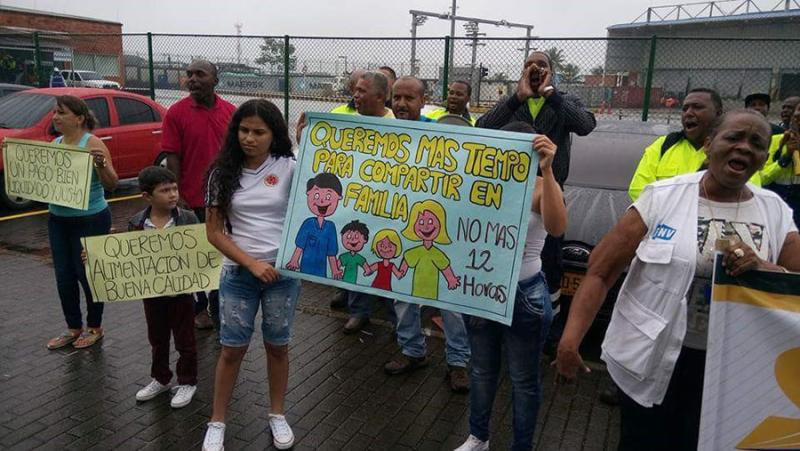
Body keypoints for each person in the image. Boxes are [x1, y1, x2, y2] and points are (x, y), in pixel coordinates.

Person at [554, 109, 800, 450]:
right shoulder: (663, 196)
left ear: (763, 159)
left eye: (756, 143)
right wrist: (569, 342)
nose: (744, 147)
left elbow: (796, 286)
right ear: (709, 145)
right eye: (733, 138)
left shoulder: (775, 211)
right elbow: (600, 270)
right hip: (652, 360)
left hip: (730, 367)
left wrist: (763, 269)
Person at [476, 50, 596, 356]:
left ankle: (550, 329)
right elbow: (481, 128)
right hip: (511, 193)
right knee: (510, 261)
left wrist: (551, 95)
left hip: (549, 190)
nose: (535, 69)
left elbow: (585, 125)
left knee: (550, 260)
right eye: (529, 64)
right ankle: (505, 320)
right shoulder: (513, 101)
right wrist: (517, 98)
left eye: (541, 65)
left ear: (552, 72)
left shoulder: (564, 100)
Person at [456, 122, 566, 451]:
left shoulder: (539, 186)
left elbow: (558, 227)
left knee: (523, 380)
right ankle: (478, 437)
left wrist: (548, 172)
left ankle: (522, 446)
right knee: (481, 370)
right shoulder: (478, 184)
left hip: (525, 294)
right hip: (480, 290)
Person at [202, 99, 300, 451]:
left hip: (282, 275)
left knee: (277, 346)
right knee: (231, 350)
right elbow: (214, 233)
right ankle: (217, 421)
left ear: (274, 134)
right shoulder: (221, 173)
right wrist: (251, 264)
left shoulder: (291, 166)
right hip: (238, 275)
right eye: (244, 130)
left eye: (259, 132)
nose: (250, 138)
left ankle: (277, 414)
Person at [382, 75, 471, 393]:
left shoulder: (443, 134)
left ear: (424, 100)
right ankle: (412, 351)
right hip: (402, 229)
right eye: (397, 97)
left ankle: (458, 363)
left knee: (451, 303)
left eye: (409, 98)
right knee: (402, 297)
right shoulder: (385, 133)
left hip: (440, 231)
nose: (402, 104)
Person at [163, 59, 236, 330]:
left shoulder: (231, 112)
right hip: (192, 200)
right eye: (189, 74)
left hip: (225, 200)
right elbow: (173, 156)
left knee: (222, 256)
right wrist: (176, 192)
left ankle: (218, 307)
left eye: (200, 74)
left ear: (215, 79)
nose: (192, 79)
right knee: (196, 259)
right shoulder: (175, 113)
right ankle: (199, 307)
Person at [45, 95, 117, 350]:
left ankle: (95, 327)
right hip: (58, 219)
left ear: (79, 118)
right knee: (64, 276)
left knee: (87, 274)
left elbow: (112, 182)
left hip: (91, 218)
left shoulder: (92, 143)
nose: (55, 117)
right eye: (54, 112)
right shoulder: (54, 143)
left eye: (61, 113)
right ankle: (73, 328)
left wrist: (102, 165)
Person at [127, 167, 199, 408]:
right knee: (157, 339)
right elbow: (128, 258)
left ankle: (187, 381)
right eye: (165, 190)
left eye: (174, 189)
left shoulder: (187, 218)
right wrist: (96, 259)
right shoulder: (137, 223)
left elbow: (198, 250)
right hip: (152, 293)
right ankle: (160, 378)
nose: (172, 195)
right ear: (147, 196)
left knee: (185, 340)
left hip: (181, 292)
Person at [762, 102, 800, 227]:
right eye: (798, 111)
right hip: (776, 200)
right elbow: (763, 178)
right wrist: (786, 157)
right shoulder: (775, 140)